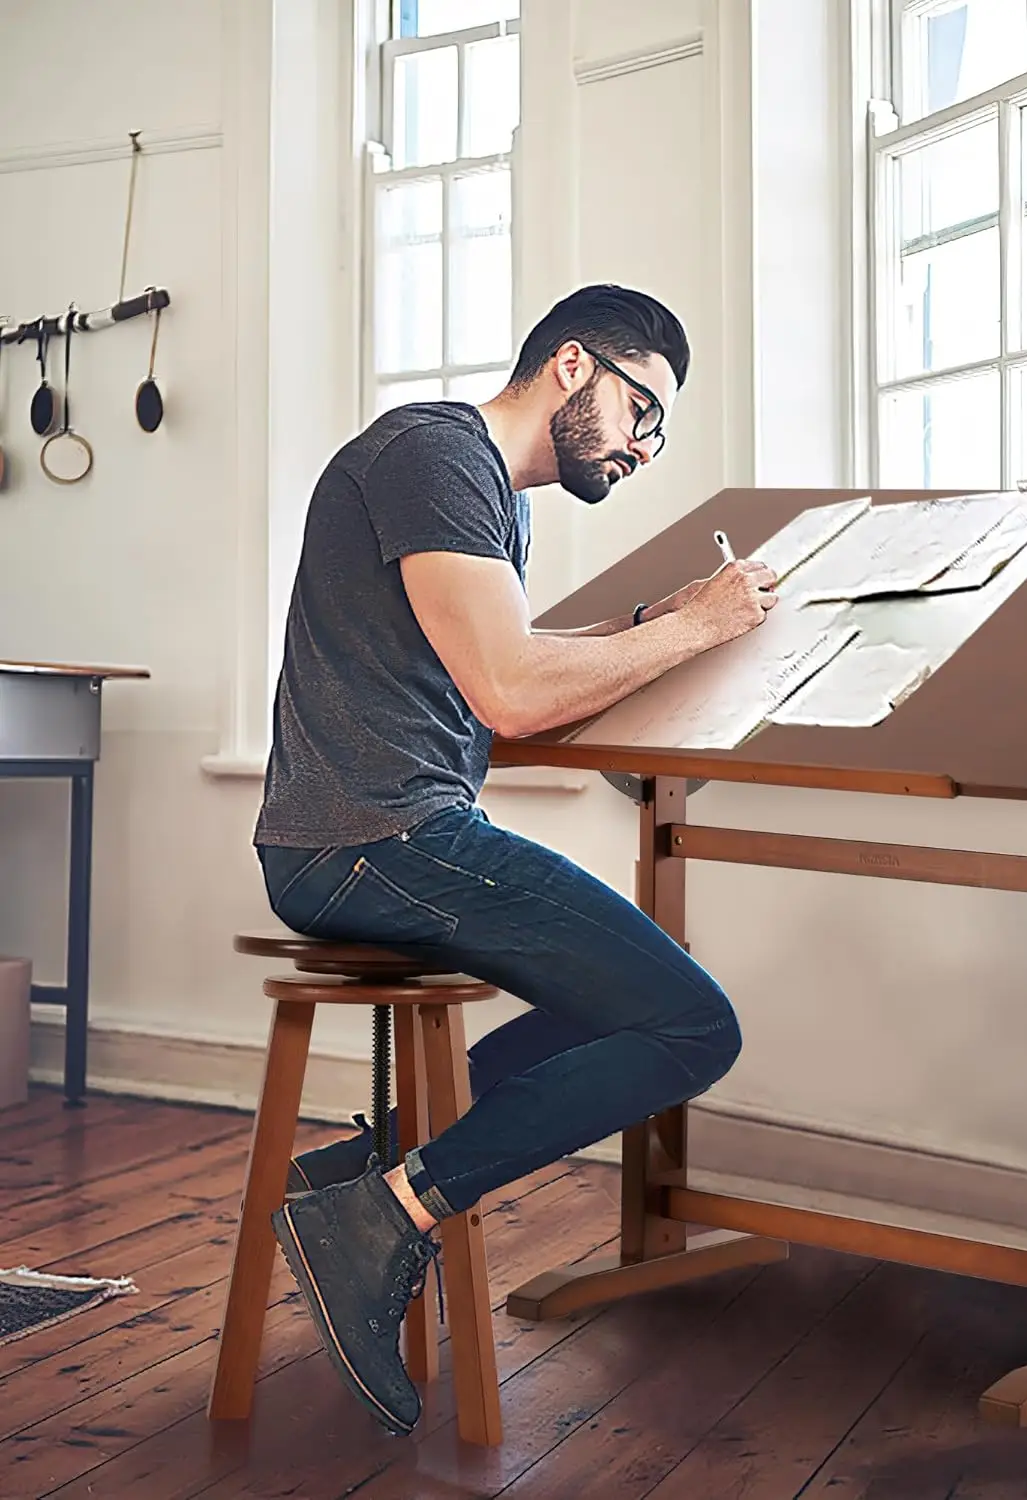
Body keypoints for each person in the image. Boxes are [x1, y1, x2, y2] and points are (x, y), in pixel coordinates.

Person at [252, 283, 777, 1435]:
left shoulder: (484, 492)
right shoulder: (436, 456)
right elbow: (511, 692)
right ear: (574, 365)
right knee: (694, 1025)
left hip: (380, 833)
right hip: (372, 837)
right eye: (644, 411)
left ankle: (372, 1169)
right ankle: (385, 1210)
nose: (645, 447)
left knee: (625, 1003)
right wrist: (697, 627)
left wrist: (651, 623)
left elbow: (500, 663)